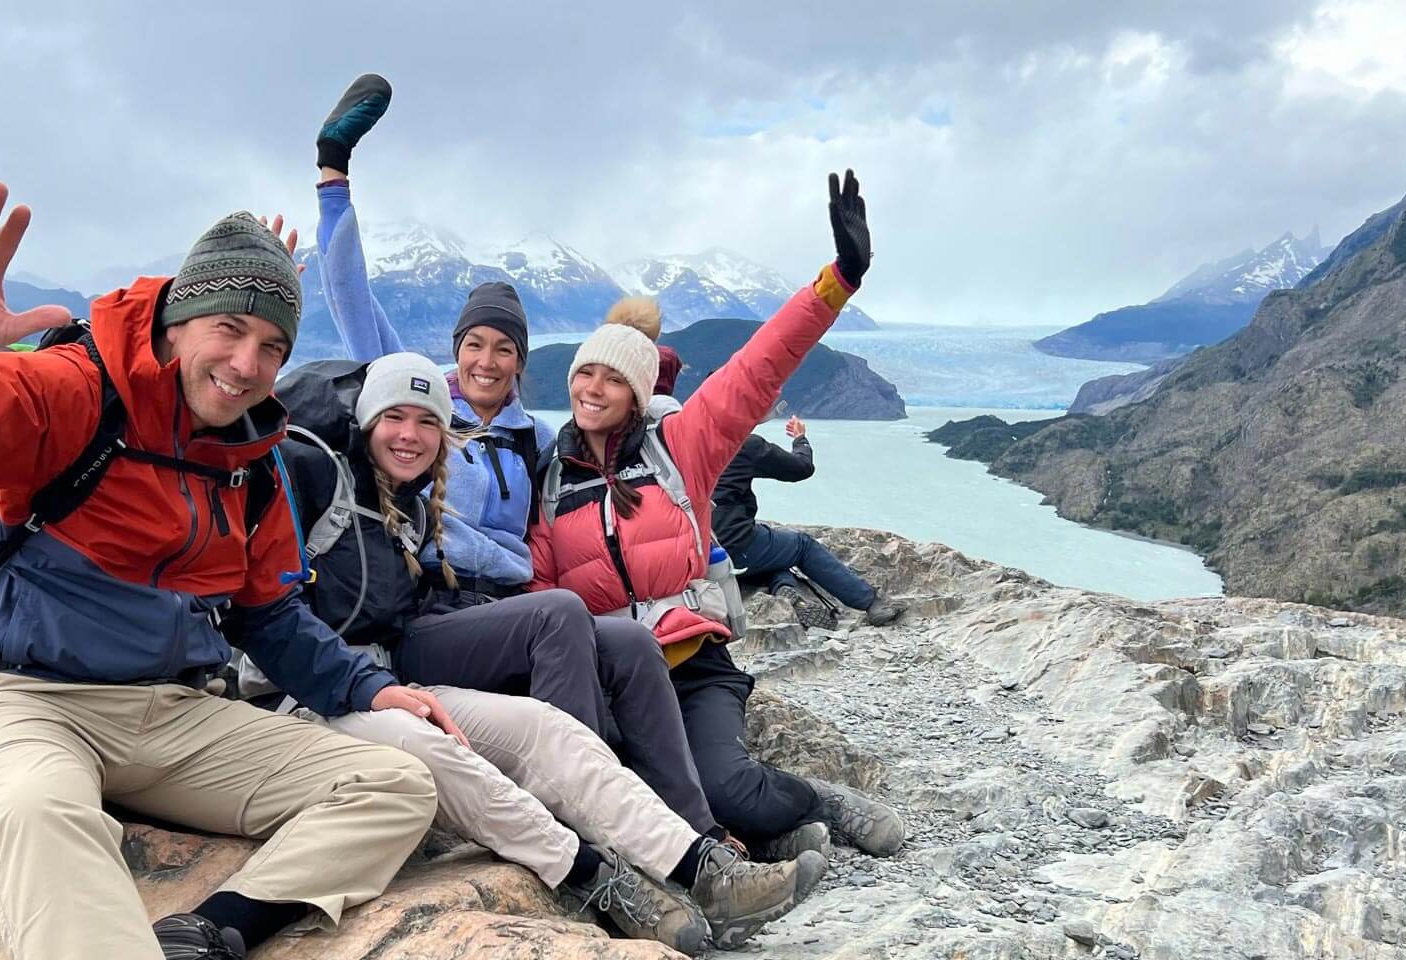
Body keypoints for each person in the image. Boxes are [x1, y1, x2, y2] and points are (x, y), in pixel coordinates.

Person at [0, 186, 453, 960]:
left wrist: (367, 688)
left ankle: (211, 929)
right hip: (18, 696)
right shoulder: (74, 390)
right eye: (229, 328)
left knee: (393, 784)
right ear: (177, 320)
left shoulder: (251, 459)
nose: (246, 365)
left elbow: (268, 615)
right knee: (37, 807)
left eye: (272, 347)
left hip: (170, 713)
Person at [244, 352, 824, 952]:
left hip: (403, 656)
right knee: (559, 615)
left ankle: (699, 852)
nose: (410, 435)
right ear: (366, 422)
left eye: (426, 422)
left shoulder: (418, 495)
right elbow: (267, 604)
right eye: (394, 417)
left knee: (621, 642)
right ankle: (601, 862)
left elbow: (412, 598)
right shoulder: (316, 476)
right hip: (326, 687)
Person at [309, 74, 721, 840]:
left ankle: (691, 825)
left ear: (522, 362)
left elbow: (608, 480)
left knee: (626, 641)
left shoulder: (539, 441)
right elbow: (350, 298)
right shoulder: (422, 408)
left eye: (503, 348)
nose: (486, 361)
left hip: (502, 614)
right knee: (560, 615)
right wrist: (334, 177)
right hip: (428, 610)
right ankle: (595, 821)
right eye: (473, 345)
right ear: (453, 352)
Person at [527, 171, 908, 862]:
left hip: (692, 662)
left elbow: (758, 368)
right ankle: (776, 835)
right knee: (638, 807)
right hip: (613, 679)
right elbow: (541, 597)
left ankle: (820, 802)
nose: (595, 388)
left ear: (641, 393)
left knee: (727, 793)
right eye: (587, 373)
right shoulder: (551, 480)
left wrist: (840, 278)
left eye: (615, 379)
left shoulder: (681, 449)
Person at [713, 415, 907, 629]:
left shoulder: (685, 439)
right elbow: (801, 467)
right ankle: (871, 603)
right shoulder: (744, 445)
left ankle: (784, 588)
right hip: (734, 547)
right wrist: (800, 438)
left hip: (694, 553)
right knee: (801, 545)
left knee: (770, 554)